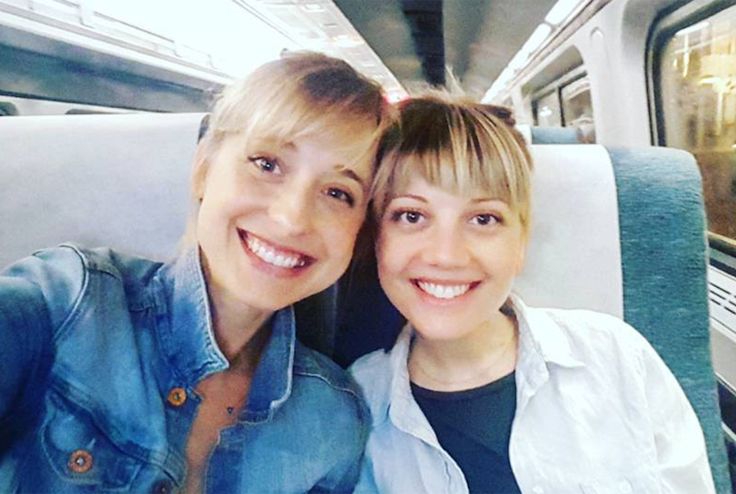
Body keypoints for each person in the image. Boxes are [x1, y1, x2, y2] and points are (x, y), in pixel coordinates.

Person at [0, 51, 393, 493]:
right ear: (204, 168)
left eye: (338, 192)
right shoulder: (65, 302)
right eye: (267, 164)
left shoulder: (336, 420)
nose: (292, 218)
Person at [350, 92, 715, 493]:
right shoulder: (353, 407)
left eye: (484, 218)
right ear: (377, 237)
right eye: (412, 215)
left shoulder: (616, 357)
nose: (446, 255)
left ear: (520, 242)